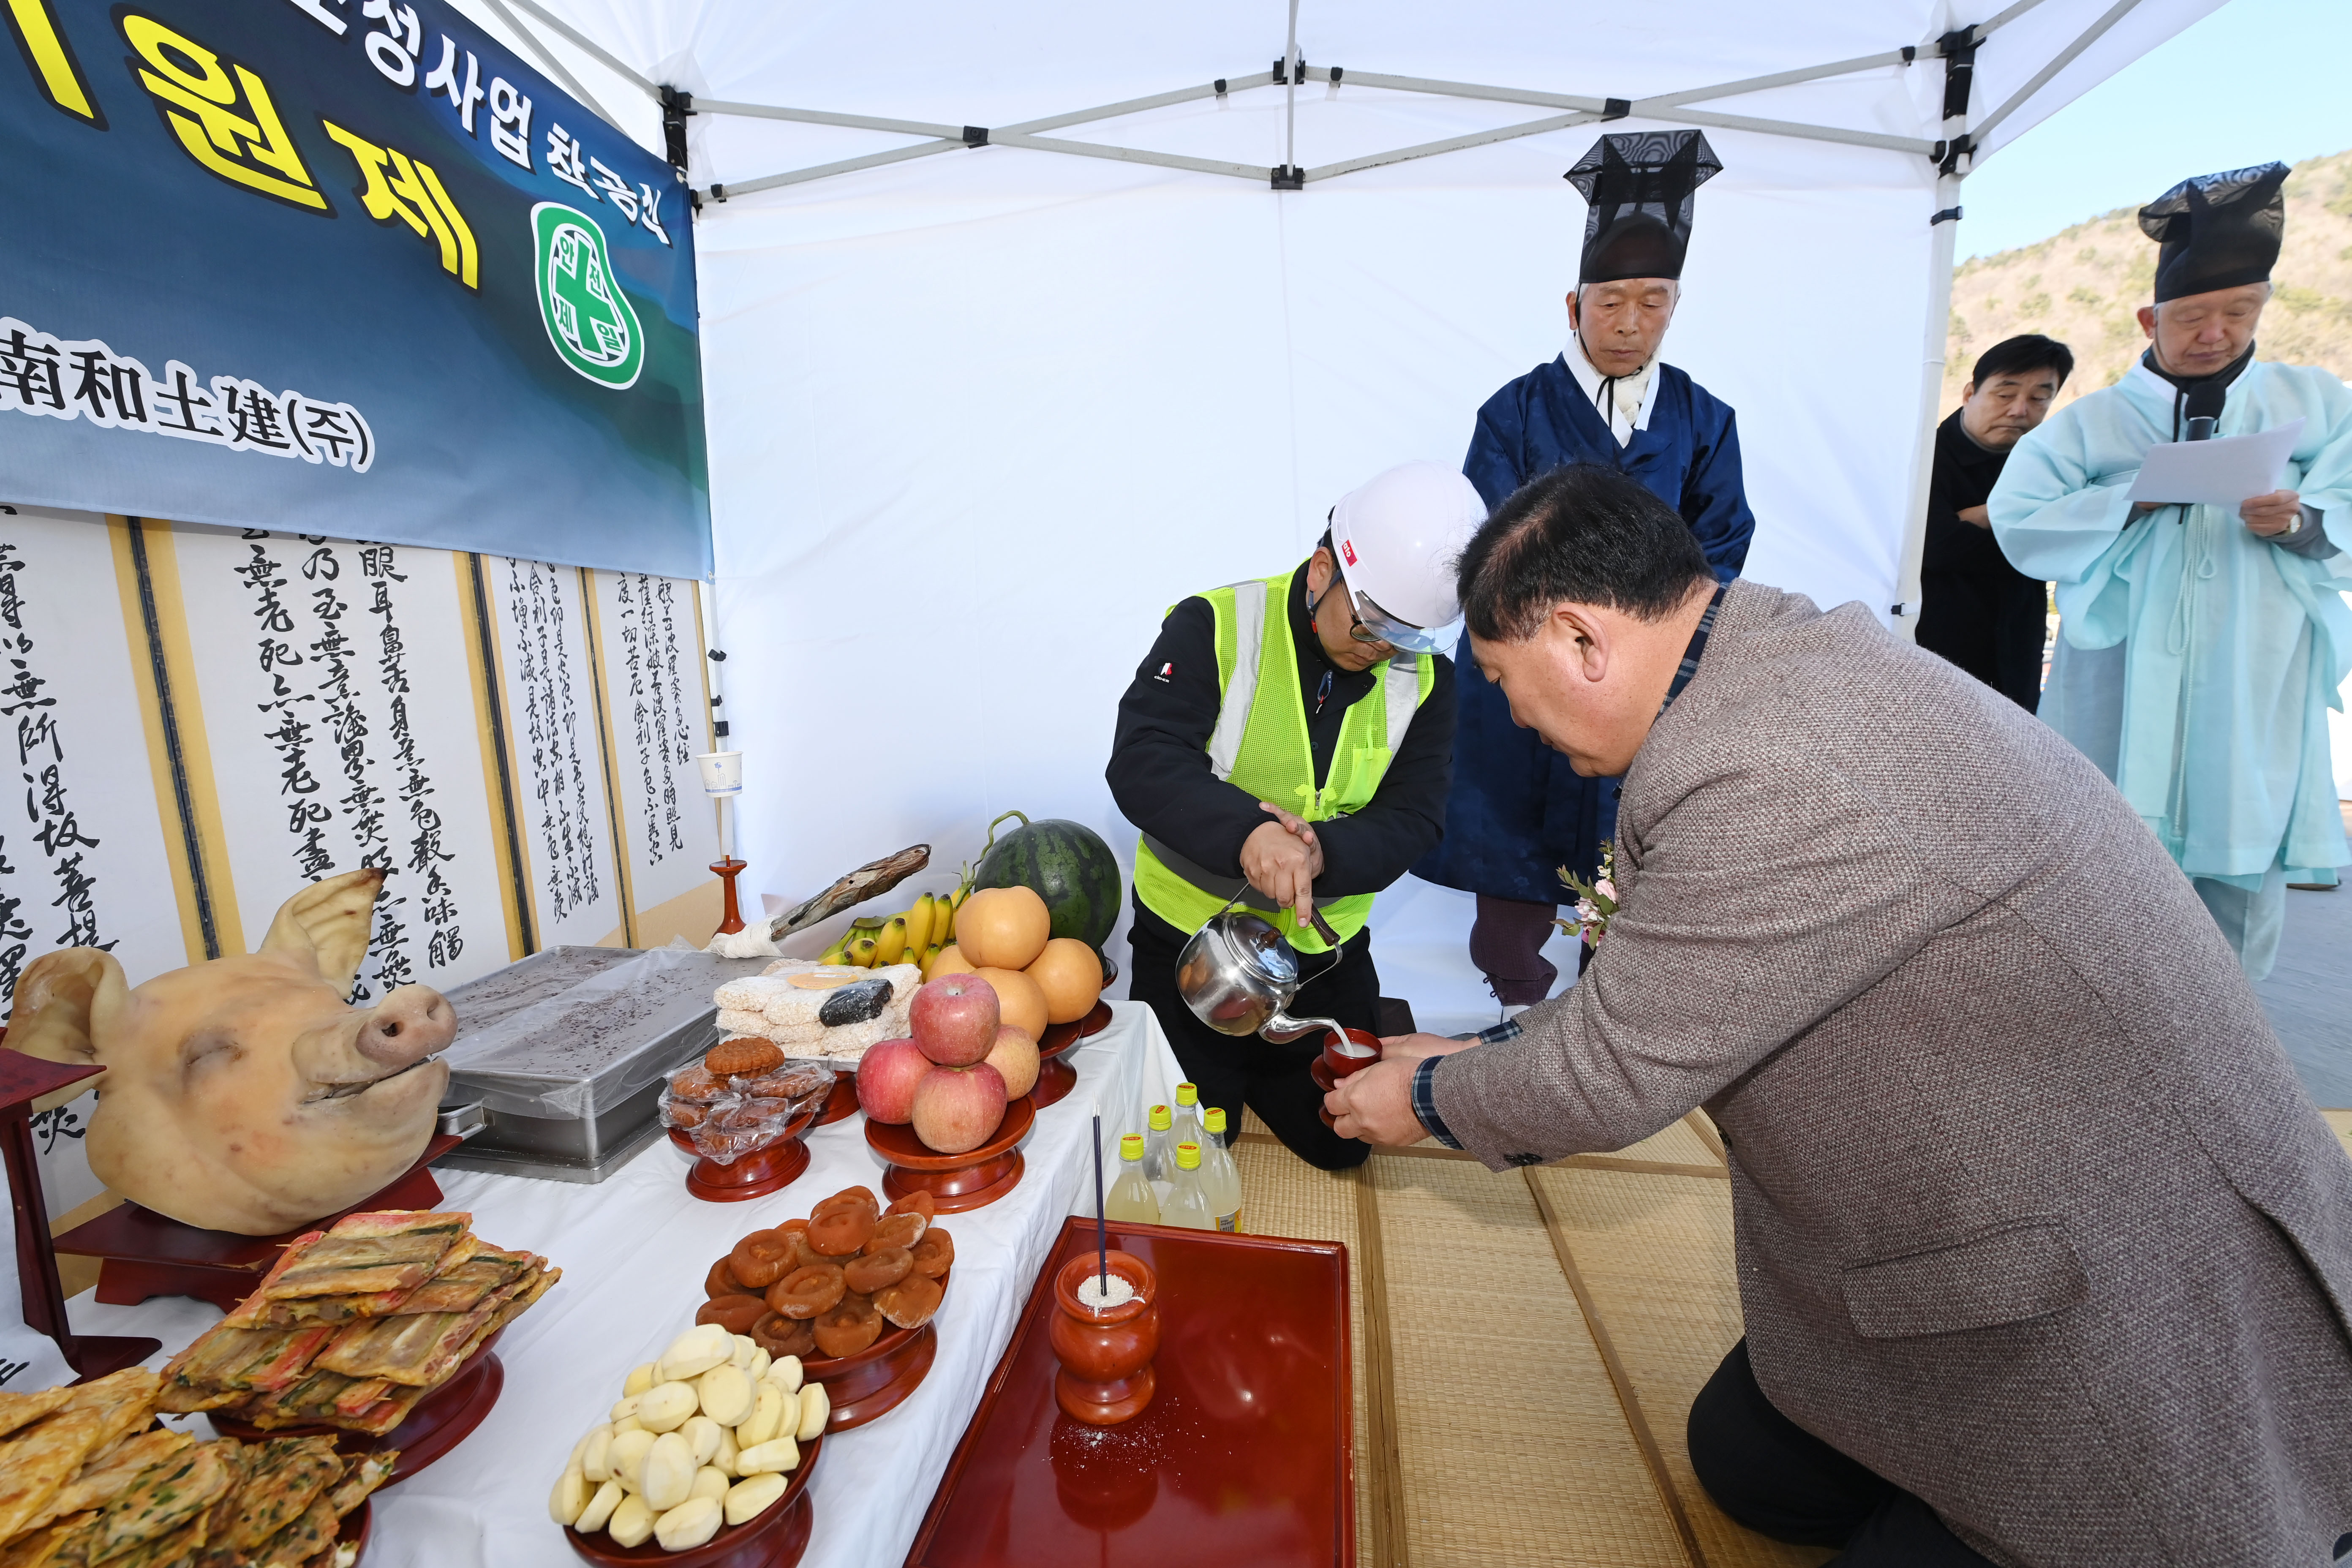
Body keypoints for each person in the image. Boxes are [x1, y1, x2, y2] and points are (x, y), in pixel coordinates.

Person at [1328, 461, 2352, 1566]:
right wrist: (1479, 1049)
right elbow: (1663, 997)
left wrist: (1429, 1098)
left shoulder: (1761, 773)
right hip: (2017, 1193)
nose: (1514, 717)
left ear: (1582, 638)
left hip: (2111, 1307)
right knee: (1746, 1454)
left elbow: (1618, 1071)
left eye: (1501, 677)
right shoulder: (1774, 656)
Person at [1414, 129, 1753, 1015]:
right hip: (1523, 682)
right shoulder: (1516, 409)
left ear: (1676, 306)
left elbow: (1722, 540)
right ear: (1574, 304)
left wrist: (1641, 640)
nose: (1631, 321)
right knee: (1511, 886)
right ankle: (1522, 1014)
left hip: (1642, 688)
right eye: (1612, 301)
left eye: (1654, 301)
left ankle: (1611, 1029)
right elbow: (1486, 535)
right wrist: (1552, 634)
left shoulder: (1704, 418)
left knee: (1633, 872)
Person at [1993, 163, 2351, 978]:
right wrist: (2131, 500)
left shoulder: (2315, 403)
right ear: (2149, 316)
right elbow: (2019, 519)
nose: (2214, 333)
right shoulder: (2095, 422)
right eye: (2192, 316)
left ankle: (2228, 1029)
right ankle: (2106, 1020)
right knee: (2108, 856)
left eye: (2236, 312)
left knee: (2240, 847)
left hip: (2253, 666)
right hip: (2123, 669)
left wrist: (2301, 519)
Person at [1108, 460, 1480, 1170]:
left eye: (1405, 637)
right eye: (1369, 623)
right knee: (1180, 1148)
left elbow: (1415, 817)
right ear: (1321, 571)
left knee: (1343, 1143)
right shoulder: (1214, 624)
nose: (1380, 650)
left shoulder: (1429, 680)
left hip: (1319, 957)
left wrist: (1318, 854)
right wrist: (1246, 834)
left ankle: (1257, 1069)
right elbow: (1142, 757)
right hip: (1194, 949)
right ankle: (1216, 1072)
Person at [1914, 334, 2074, 709]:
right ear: (1970, 392)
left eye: (2039, 398)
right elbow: (1936, 547)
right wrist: (2022, 521)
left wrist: (1983, 515)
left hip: (2018, 645)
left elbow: (2059, 548)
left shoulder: (2055, 467)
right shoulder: (1924, 458)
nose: (2020, 409)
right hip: (1936, 649)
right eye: (2005, 394)